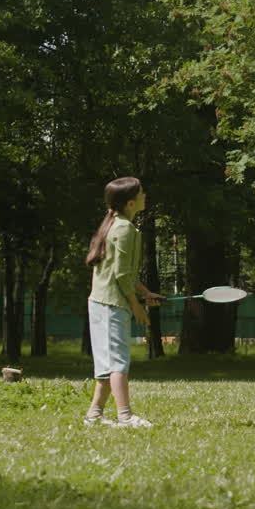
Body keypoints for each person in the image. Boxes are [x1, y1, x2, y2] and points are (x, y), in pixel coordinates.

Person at [83, 177, 163, 428]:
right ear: (130, 203)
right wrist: (136, 305)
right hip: (111, 304)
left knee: (108, 363)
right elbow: (121, 274)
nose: (145, 196)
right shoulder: (124, 229)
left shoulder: (115, 225)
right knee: (118, 363)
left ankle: (94, 414)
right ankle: (125, 416)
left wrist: (144, 292)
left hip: (103, 302)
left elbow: (123, 272)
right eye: (141, 193)